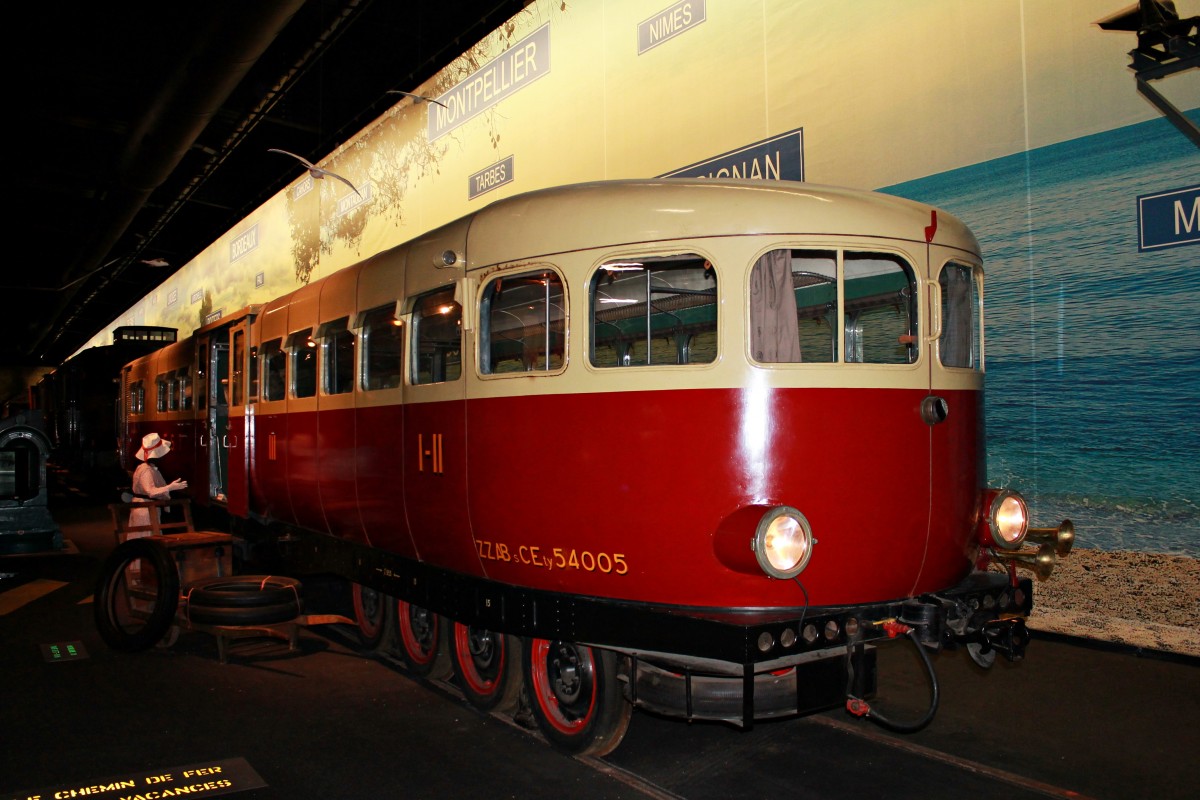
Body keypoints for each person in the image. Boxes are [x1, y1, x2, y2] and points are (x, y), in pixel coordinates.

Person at [127, 432, 188, 538]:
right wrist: (170, 487)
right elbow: (151, 491)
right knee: (145, 538)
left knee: (146, 537)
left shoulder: (149, 468)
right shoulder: (146, 470)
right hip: (145, 510)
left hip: (148, 508)